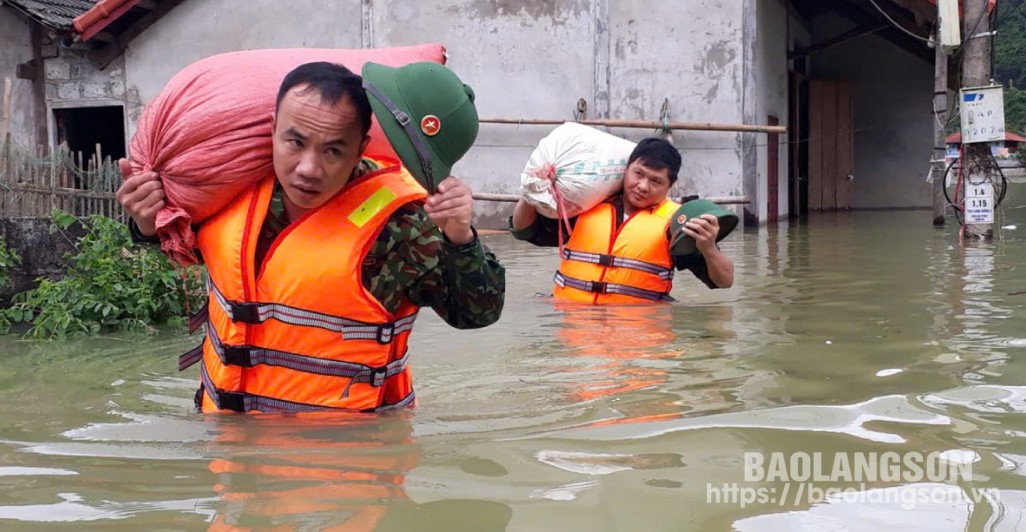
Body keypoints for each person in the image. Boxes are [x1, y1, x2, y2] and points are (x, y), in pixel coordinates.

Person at [116, 61, 505, 413]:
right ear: (272, 129)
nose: (308, 169)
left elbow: (475, 314)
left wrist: (460, 236)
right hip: (228, 448)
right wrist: (148, 224)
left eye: (333, 151)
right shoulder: (230, 192)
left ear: (360, 151)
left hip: (342, 462)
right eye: (295, 142)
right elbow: (188, 250)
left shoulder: (401, 225)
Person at [510, 137, 733, 303]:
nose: (643, 186)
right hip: (572, 324)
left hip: (636, 333)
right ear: (626, 170)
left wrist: (709, 248)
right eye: (638, 174)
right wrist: (533, 191)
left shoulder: (675, 223)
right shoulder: (588, 203)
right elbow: (523, 229)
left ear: (670, 185)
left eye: (655, 181)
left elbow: (724, 282)